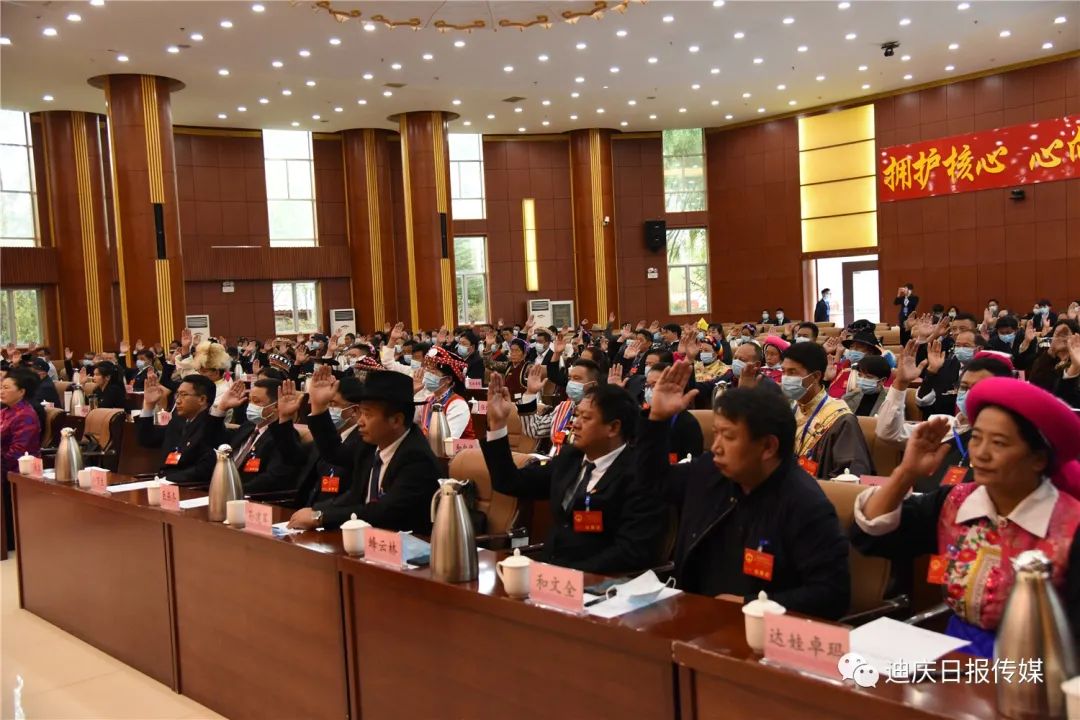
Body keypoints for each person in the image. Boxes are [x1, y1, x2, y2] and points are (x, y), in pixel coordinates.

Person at [853, 377, 1080, 657]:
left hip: (1038, 666)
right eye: (977, 438)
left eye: (999, 443)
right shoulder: (956, 503)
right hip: (954, 655)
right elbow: (871, 538)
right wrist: (907, 471)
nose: (981, 453)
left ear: (1038, 459)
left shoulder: (1069, 527)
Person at [640, 362, 850, 617]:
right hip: (693, 613)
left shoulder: (805, 504)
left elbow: (832, 595)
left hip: (757, 627)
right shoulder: (711, 471)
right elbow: (653, 485)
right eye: (716, 434)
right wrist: (657, 421)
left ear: (768, 447)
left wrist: (749, 604)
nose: (716, 447)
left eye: (728, 437)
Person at [483, 375, 664, 573]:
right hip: (551, 573)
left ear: (613, 427)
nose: (575, 424)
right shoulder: (571, 458)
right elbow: (510, 482)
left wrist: (569, 575)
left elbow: (632, 552)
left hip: (602, 582)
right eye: (577, 415)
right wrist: (498, 424)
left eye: (586, 418)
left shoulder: (639, 474)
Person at [286, 368, 440, 533]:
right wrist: (319, 407)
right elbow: (338, 459)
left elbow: (383, 512)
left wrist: (320, 516)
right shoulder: (371, 445)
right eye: (361, 412)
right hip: (367, 537)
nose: (360, 421)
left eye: (368, 414)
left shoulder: (417, 458)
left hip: (404, 542)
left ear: (396, 420)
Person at [877, 341, 1015, 491]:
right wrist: (901, 383)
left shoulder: (1012, 443)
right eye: (964, 387)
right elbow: (888, 432)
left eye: (979, 387)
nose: (970, 394)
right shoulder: (944, 426)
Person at [270, 374, 365, 508]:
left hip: (333, 514)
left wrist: (317, 513)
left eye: (332, 404)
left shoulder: (362, 442)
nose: (327, 409)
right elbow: (294, 457)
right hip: (304, 509)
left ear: (354, 410)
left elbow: (335, 453)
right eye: (325, 403)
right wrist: (285, 418)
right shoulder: (322, 439)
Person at [783, 341, 874, 479]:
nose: (785, 378)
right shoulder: (790, 409)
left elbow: (850, 476)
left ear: (816, 376)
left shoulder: (841, 419)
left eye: (792, 372)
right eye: (783, 371)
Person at [216, 379, 304, 496]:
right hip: (219, 489)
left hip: (246, 496)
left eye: (256, 401)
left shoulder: (284, 437)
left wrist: (234, 491)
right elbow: (212, 442)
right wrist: (221, 408)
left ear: (276, 406)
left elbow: (272, 478)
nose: (251, 406)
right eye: (250, 400)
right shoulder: (247, 427)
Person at [136, 371, 226, 485]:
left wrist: (167, 480)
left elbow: (203, 471)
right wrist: (149, 405)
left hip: (187, 487)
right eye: (177, 394)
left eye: (184, 395)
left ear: (202, 399)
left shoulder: (211, 427)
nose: (177, 400)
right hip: (164, 482)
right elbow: (147, 439)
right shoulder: (178, 421)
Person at [518, 358, 603, 453]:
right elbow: (534, 429)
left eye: (577, 378)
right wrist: (530, 393)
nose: (571, 383)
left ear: (592, 385)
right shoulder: (564, 407)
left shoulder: (600, 413)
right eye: (570, 378)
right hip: (556, 459)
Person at [2, 369, 43, 549]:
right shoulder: (6, 411)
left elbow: (18, 452)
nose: (1, 391)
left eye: (6, 388)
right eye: (1, 387)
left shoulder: (25, 415)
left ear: (21, 391)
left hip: (17, 471)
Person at [641, 363, 703, 460]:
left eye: (655, 385)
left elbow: (693, 462)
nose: (650, 390)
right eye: (647, 385)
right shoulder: (642, 417)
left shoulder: (687, 423)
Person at [414, 345, 475, 440]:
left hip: (453, 450)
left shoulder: (458, 404)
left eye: (433, 372)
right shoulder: (429, 400)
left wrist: (421, 431)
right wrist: (413, 392)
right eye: (427, 370)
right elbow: (406, 420)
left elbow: (446, 441)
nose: (427, 375)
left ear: (448, 379)